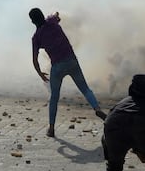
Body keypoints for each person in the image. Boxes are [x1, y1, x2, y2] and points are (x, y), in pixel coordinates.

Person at [29, 8, 101, 138]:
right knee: (85, 89)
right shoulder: (51, 21)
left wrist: (40, 73)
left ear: (32, 21)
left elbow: (34, 59)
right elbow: (56, 14)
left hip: (57, 67)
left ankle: (51, 128)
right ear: (42, 15)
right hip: (71, 61)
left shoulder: (36, 37)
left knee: (54, 98)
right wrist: (55, 14)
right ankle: (97, 109)